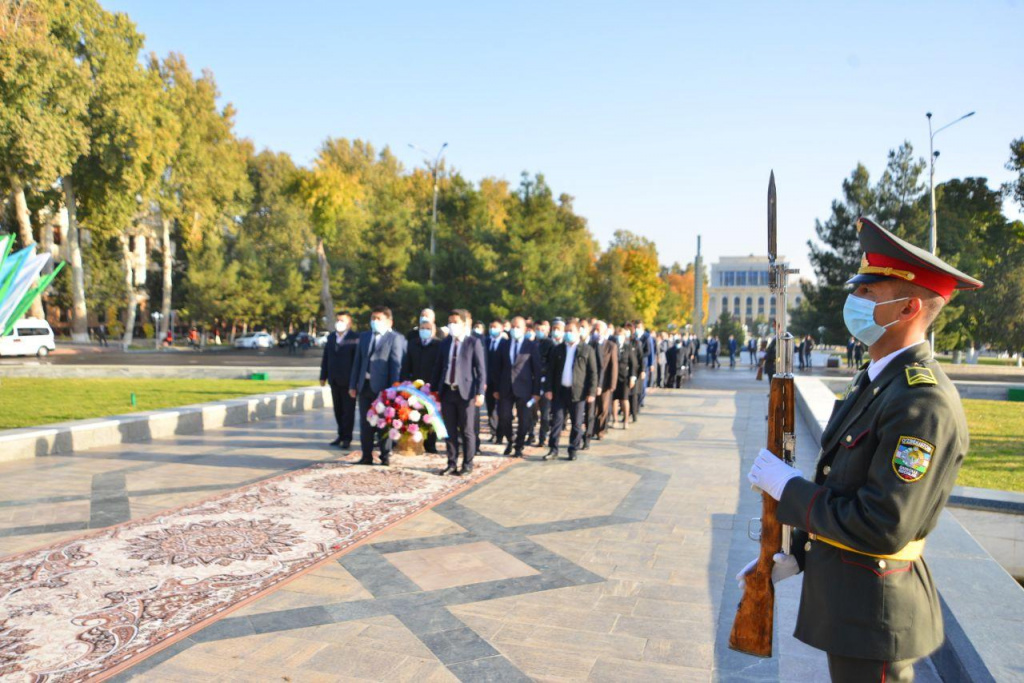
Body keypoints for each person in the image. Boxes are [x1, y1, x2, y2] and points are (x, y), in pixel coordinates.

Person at [742, 216, 983, 682]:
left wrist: (788, 488)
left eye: (869, 293)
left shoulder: (921, 400)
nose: (853, 302)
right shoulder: (875, 382)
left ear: (908, 308)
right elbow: (846, 484)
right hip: (850, 601)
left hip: (876, 613)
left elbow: (883, 523)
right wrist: (800, 554)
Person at [349, 306, 406, 466]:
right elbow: (357, 363)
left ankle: (385, 455)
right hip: (365, 386)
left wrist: (394, 390)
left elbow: (396, 365)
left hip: (383, 389)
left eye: (379, 319)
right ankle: (366, 456)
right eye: (373, 318)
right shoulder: (365, 336)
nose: (375, 322)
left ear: (389, 321)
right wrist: (353, 384)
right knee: (365, 423)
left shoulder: (394, 338)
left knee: (383, 423)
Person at [433, 309, 487, 476]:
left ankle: (468, 464)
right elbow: (438, 367)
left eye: (455, 322)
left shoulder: (473, 343)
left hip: (466, 393)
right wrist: (434, 390)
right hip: (448, 391)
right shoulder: (445, 343)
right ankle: (451, 463)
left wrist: (480, 392)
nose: (452, 325)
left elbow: (481, 370)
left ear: (464, 324)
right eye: (450, 322)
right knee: (449, 430)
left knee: (467, 430)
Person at [543, 318, 597, 461]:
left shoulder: (586, 349)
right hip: (560, 391)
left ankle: (573, 449)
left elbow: (593, 372)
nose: (567, 334)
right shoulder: (558, 349)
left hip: (578, 393)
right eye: (566, 331)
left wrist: (591, 392)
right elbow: (550, 371)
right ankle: (553, 449)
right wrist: (548, 389)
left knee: (577, 423)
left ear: (578, 332)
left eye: (570, 331)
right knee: (556, 422)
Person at [494, 316, 541, 457]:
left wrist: (536, 392)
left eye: (518, 327)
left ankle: (519, 446)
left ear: (525, 329)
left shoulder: (531, 346)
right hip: (505, 388)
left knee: (524, 419)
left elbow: (537, 370)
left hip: (525, 389)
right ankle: (510, 439)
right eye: (512, 327)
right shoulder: (504, 344)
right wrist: (496, 388)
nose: (514, 330)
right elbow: (497, 368)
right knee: (504, 417)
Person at [401, 318, 442, 453]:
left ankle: (431, 443)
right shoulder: (413, 344)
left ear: (434, 330)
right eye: (422, 328)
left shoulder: (438, 345)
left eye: (428, 328)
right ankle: (417, 441)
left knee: (431, 414)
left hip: (432, 385)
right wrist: (405, 382)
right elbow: (406, 364)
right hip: (415, 385)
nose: (425, 331)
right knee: (416, 414)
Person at [320, 312, 359, 449]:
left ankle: (347, 437)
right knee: (338, 409)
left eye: (342, 320)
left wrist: (356, 381)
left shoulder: (355, 338)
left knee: (348, 410)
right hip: (334, 379)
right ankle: (340, 434)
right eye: (338, 320)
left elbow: (357, 361)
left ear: (349, 323)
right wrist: (323, 375)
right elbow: (326, 357)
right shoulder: (331, 337)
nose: (339, 323)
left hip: (349, 381)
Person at [591, 321, 618, 439]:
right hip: (592, 381)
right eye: (595, 330)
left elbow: (614, 365)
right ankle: (591, 429)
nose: (596, 332)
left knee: (603, 407)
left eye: (599, 330)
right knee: (592, 407)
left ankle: (600, 430)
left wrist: (612, 384)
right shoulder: (590, 344)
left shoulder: (611, 346)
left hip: (605, 382)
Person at [530, 320, 555, 445]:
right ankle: (530, 435)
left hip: (544, 383)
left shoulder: (550, 344)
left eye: (542, 330)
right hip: (531, 382)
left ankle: (542, 437)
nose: (539, 332)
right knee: (530, 411)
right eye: (537, 329)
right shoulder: (530, 344)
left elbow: (552, 365)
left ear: (547, 331)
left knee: (545, 413)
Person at [614, 323, 638, 429]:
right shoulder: (613, 346)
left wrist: (632, 377)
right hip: (614, 376)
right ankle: (615, 419)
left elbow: (633, 363)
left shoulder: (628, 347)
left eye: (621, 335)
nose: (619, 337)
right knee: (614, 399)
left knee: (624, 399)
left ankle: (626, 420)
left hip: (625, 376)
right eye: (618, 335)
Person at [485, 320, 505, 445]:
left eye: (495, 327)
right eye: (491, 326)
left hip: (501, 382)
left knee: (502, 410)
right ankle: (494, 432)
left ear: (502, 328)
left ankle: (501, 434)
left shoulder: (505, 343)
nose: (493, 329)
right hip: (488, 382)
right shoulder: (485, 342)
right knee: (490, 409)